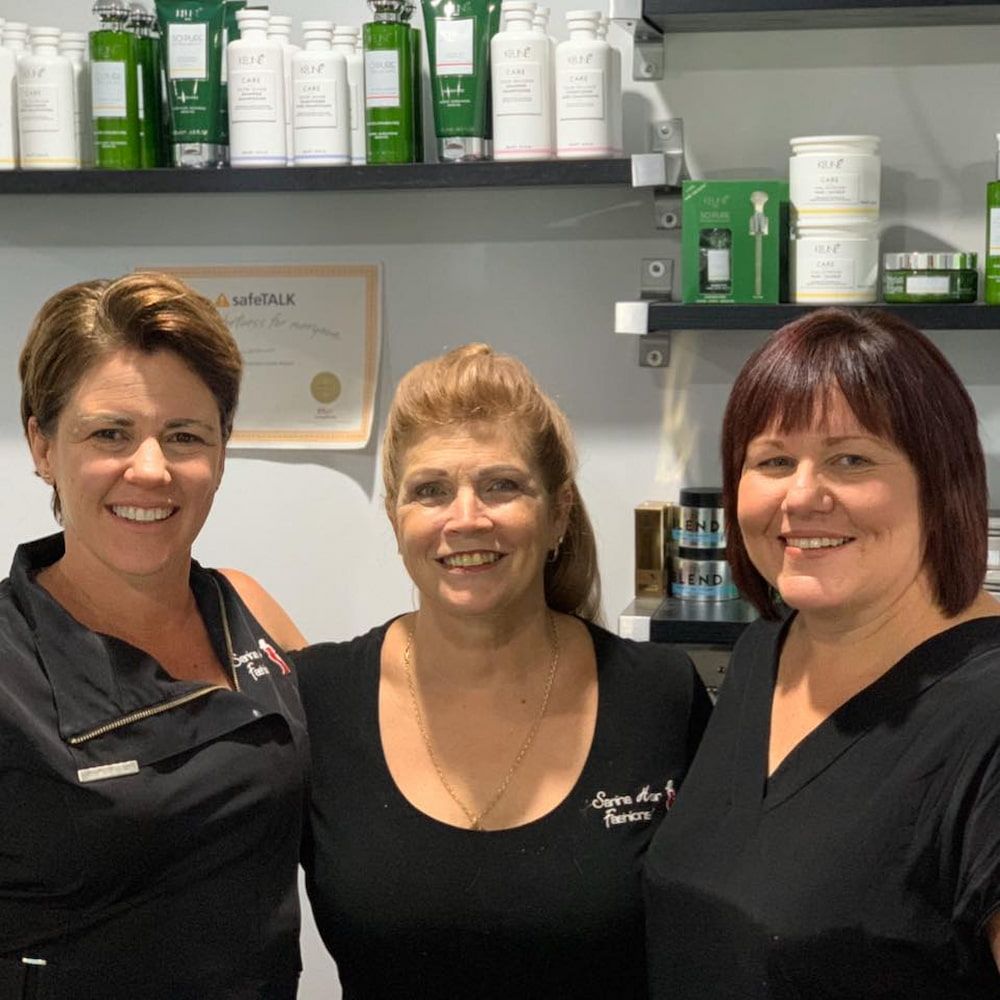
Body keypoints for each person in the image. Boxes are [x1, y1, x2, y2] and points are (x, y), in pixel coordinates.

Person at [296, 343, 711, 998]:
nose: (466, 518)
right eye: (430, 491)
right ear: (395, 520)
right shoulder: (317, 699)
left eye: (502, 486)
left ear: (558, 514)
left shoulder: (659, 694)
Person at [643, 307, 1000, 999]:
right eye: (774, 460)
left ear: (942, 480)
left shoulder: (986, 717)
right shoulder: (760, 658)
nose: (803, 496)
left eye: (852, 458)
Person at [0, 273, 308, 999]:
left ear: (223, 449)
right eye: (110, 433)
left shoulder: (252, 614)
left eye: (185, 436)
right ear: (42, 444)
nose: (151, 468)